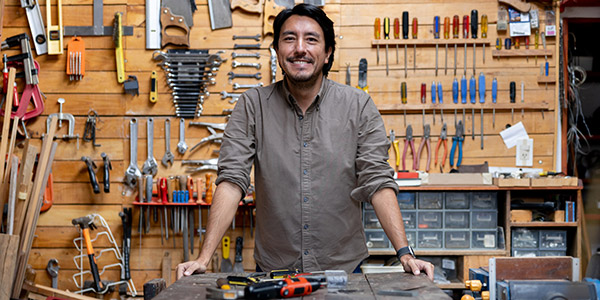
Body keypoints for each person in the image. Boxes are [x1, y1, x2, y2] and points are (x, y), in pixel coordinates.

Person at [176, 3, 434, 280]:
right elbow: (231, 180)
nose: (300, 48)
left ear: (327, 53)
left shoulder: (358, 106)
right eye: (289, 38)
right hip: (274, 271)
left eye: (311, 39)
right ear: (277, 51)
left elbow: (377, 180)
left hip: (343, 270)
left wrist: (405, 253)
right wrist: (204, 258)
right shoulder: (252, 105)